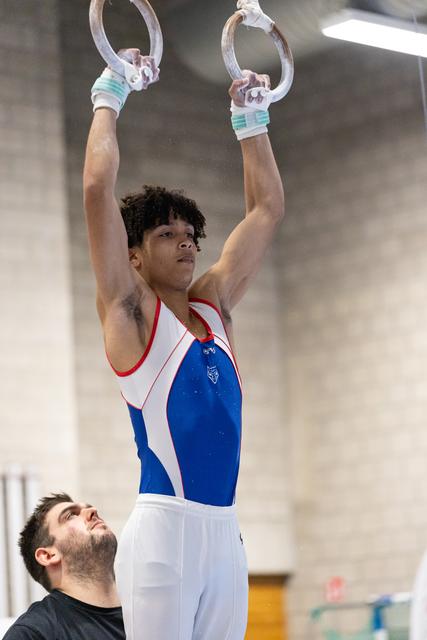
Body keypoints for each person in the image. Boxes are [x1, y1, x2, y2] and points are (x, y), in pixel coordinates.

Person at [83, 44, 284, 640]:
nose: (187, 244)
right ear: (134, 255)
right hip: (164, 531)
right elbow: (98, 189)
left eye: (192, 233)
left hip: (225, 532)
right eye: (167, 233)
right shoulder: (132, 314)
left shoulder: (214, 307)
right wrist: (110, 91)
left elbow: (268, 209)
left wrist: (252, 119)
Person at [3, 493, 125, 640]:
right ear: (48, 555)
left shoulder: (149, 608)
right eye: (71, 515)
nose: (93, 510)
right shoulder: (34, 633)